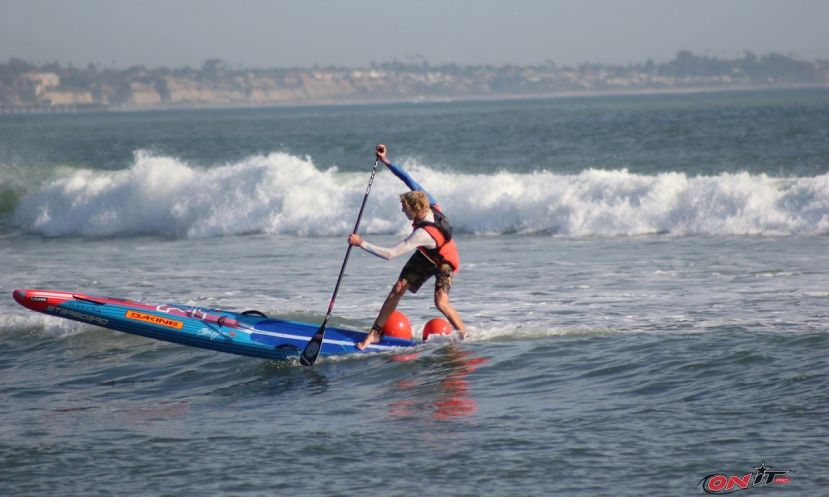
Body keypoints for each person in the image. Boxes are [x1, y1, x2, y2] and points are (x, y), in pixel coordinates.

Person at [349, 144, 466, 349]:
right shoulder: (428, 200)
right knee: (398, 289)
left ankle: (464, 335)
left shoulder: (422, 234)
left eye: (405, 210)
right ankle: (375, 333)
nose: (403, 213)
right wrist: (386, 161)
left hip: (445, 260)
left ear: (416, 209)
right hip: (427, 254)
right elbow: (407, 179)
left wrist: (361, 243)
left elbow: (390, 254)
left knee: (441, 302)